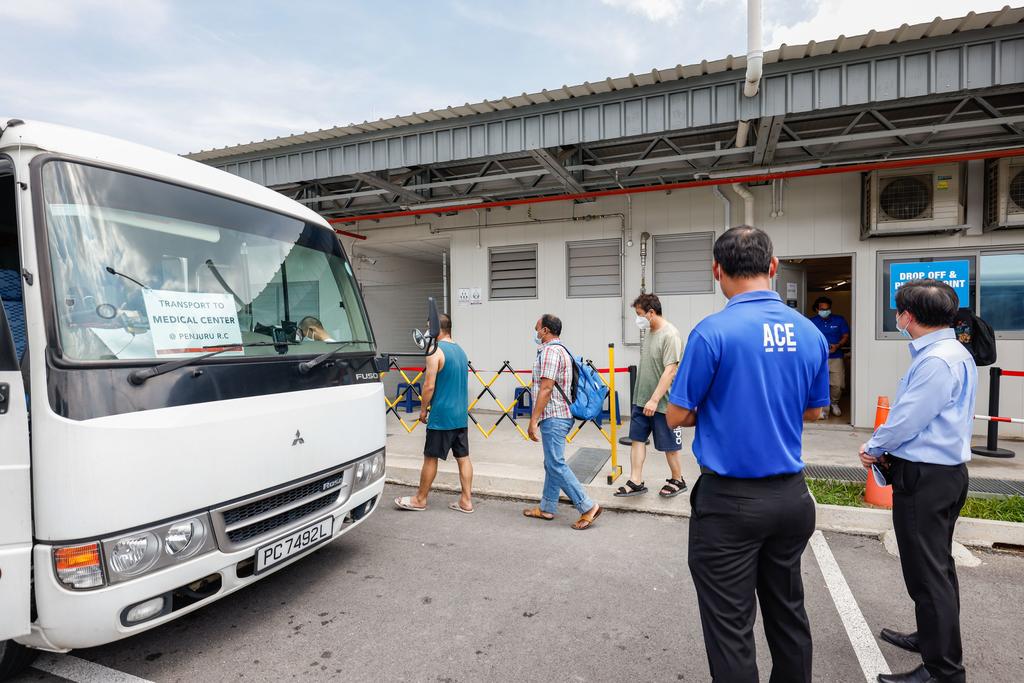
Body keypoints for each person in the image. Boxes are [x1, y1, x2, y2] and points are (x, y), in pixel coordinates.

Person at [665, 226, 830, 683]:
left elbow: (676, 415)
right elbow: (815, 412)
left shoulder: (712, 332)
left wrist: (719, 410)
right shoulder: (809, 332)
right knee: (788, 613)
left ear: (716, 270)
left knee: (730, 627)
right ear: (773, 267)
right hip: (792, 499)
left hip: (730, 503)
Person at [859, 279, 976, 683]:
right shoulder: (951, 351)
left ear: (907, 317)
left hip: (927, 477)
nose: (897, 317)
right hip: (942, 475)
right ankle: (932, 639)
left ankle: (942, 670)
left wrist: (874, 446)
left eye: (898, 311)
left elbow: (908, 418)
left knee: (928, 576)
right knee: (937, 568)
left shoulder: (936, 360)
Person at [522, 314, 602, 530]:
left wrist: (533, 420)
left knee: (556, 463)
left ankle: (587, 506)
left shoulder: (549, 352)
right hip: (560, 414)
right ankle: (547, 507)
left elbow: (546, 388)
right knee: (551, 463)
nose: (536, 333)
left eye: (537, 329)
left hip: (554, 415)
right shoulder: (562, 349)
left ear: (546, 330)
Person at [394, 313, 474, 514]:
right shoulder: (461, 351)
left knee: (430, 457)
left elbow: (428, 386)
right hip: (460, 415)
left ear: (437, 329)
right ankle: (466, 501)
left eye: (429, 327)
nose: (427, 331)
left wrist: (422, 410)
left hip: (441, 415)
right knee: (463, 457)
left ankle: (420, 499)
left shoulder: (435, 352)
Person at [614, 293, 687, 498]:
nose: (637, 319)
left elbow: (670, 370)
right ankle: (635, 480)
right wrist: (645, 399)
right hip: (641, 399)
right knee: (637, 439)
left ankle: (678, 479)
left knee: (670, 446)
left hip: (663, 402)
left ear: (651, 312)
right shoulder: (649, 333)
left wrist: (655, 399)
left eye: (639, 314)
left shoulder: (670, 335)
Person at [809, 296, 850, 418]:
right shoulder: (812, 322)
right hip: (819, 358)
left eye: (827, 309)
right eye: (822, 309)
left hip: (836, 356)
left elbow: (845, 335)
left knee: (837, 384)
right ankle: (824, 409)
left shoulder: (839, 320)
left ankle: (834, 403)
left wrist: (837, 345)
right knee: (822, 383)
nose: (825, 311)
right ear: (817, 309)